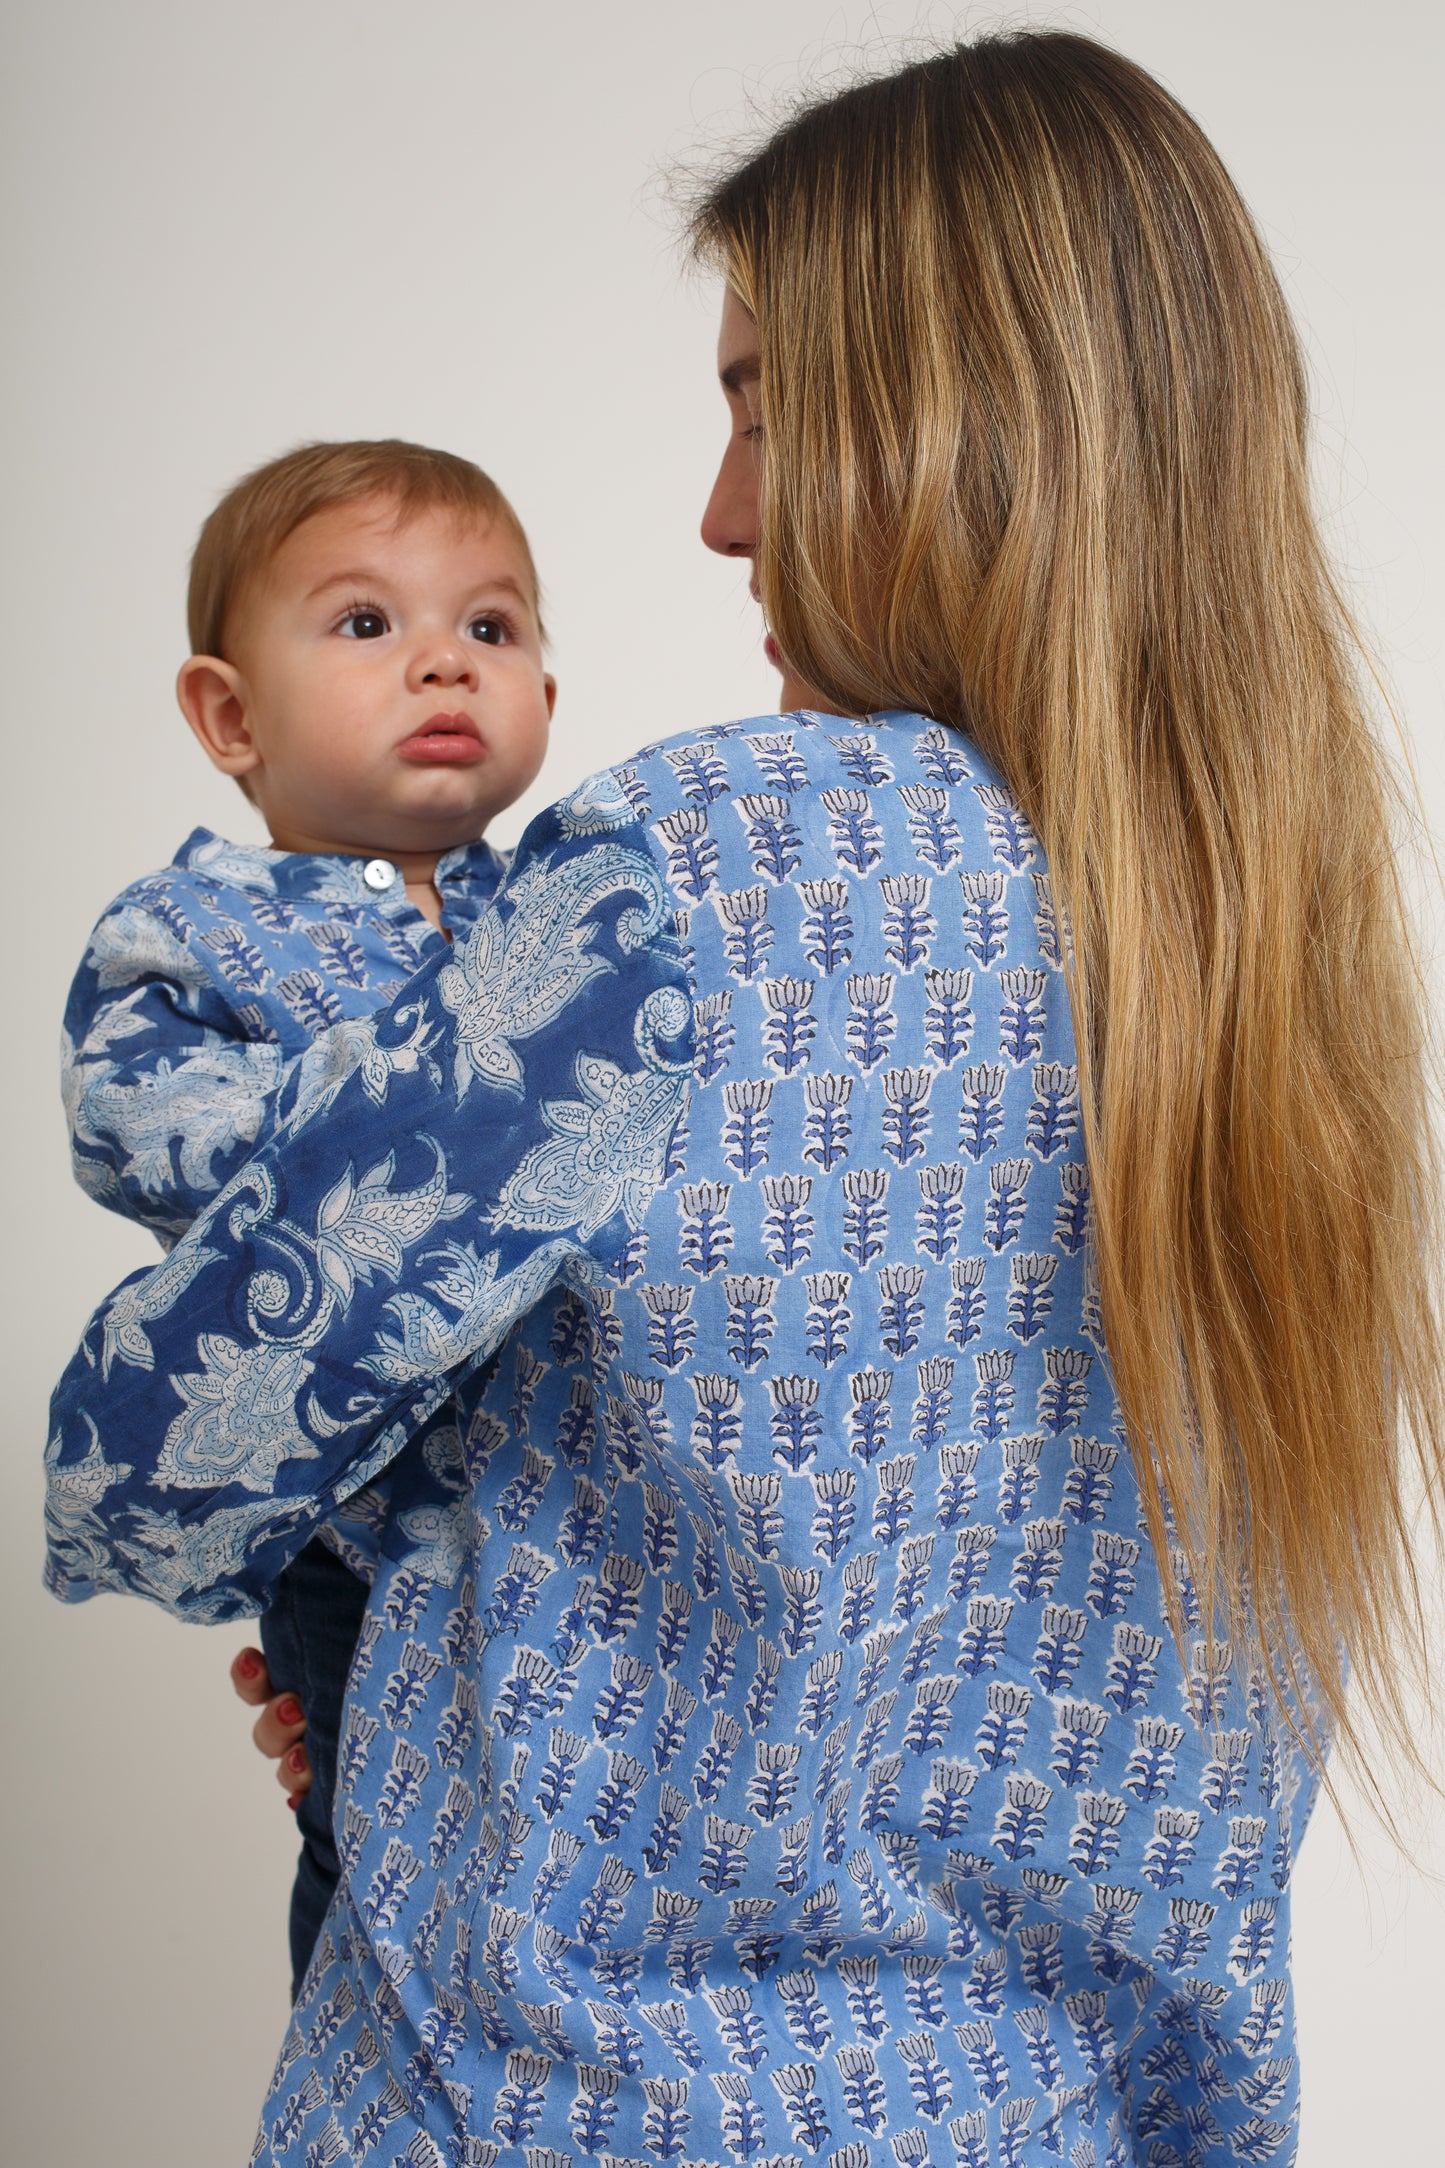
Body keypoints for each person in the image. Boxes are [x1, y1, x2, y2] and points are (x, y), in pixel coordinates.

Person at [43, 30, 1443, 2165]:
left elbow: (147, 1467)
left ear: (956, 422)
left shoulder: (699, 875)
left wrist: (407, 1585)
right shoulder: (1289, 962)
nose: (718, 516)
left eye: (766, 408)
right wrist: (472, 1620)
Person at [59, 437, 555, 1995]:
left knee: (558, 1883)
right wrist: (395, 1118)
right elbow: (144, 1128)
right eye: (365, 625)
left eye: (491, 628)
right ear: (229, 716)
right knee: (378, 1863)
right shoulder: (195, 932)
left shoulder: (567, 911)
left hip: (563, 1521)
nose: (441, 665)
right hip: (359, 1531)